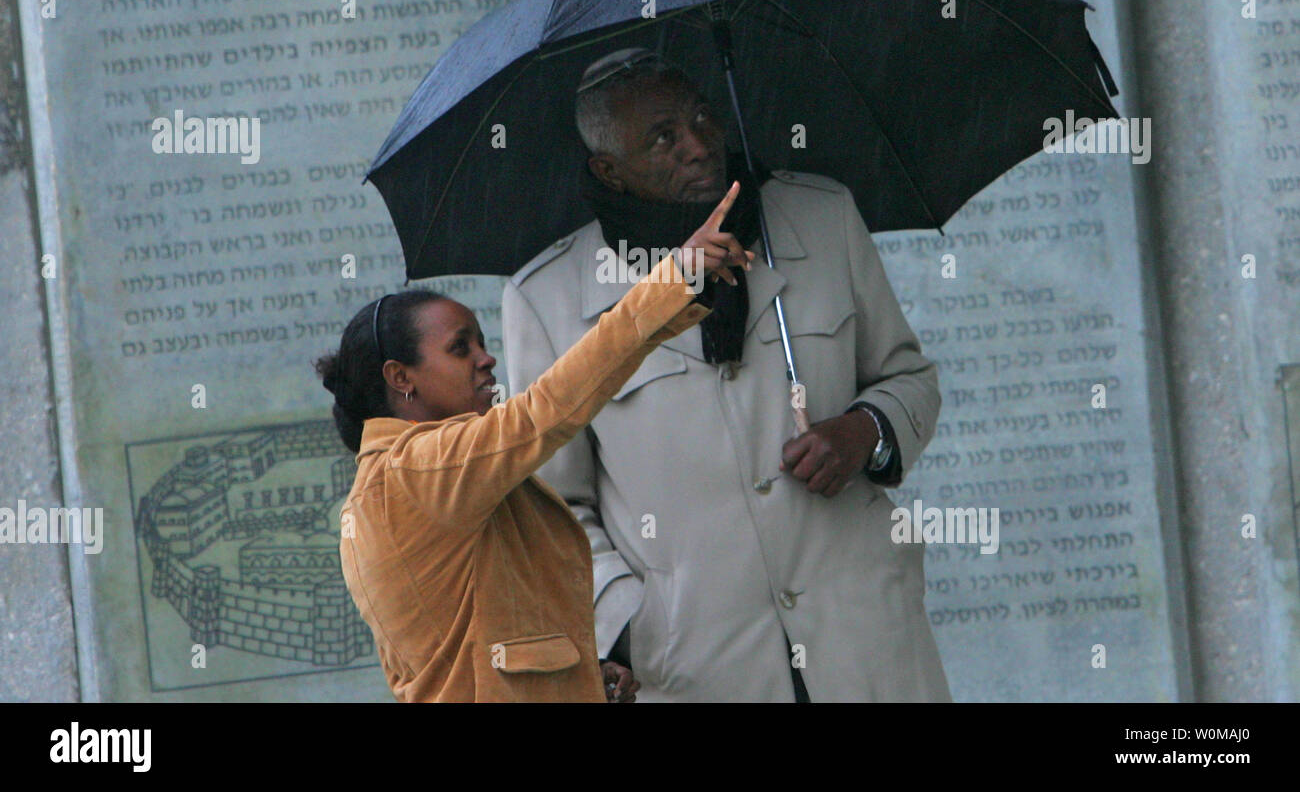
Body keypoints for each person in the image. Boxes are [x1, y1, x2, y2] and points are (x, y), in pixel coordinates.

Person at [502, 47, 952, 702]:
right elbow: (553, 511)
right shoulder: (547, 299)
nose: (698, 145)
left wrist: (866, 430)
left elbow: (909, 377)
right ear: (609, 169)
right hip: (699, 669)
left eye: (702, 117)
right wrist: (630, 624)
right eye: (662, 137)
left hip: (865, 639)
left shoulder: (821, 218)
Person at [316, 182, 753, 702]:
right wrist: (674, 277)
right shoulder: (414, 471)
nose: (487, 359)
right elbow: (547, 409)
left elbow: (475, 644)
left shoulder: (409, 480)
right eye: (460, 348)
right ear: (400, 377)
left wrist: (576, 675)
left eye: (481, 341)